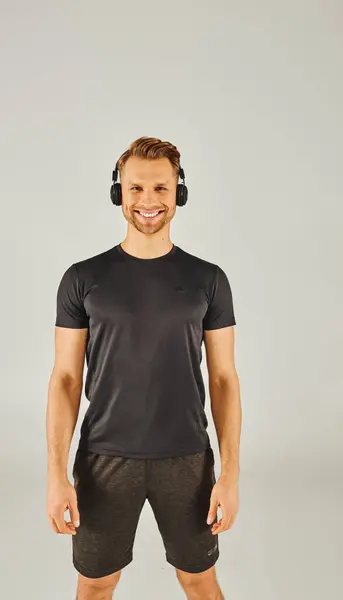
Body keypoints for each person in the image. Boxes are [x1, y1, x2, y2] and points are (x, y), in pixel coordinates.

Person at [46, 136, 242, 600]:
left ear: (179, 193)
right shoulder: (82, 278)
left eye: (160, 188)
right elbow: (66, 379)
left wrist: (230, 474)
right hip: (104, 461)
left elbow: (224, 379)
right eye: (135, 189)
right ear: (119, 193)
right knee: (94, 586)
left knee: (199, 580)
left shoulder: (208, 279)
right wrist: (56, 475)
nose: (148, 201)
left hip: (188, 461)